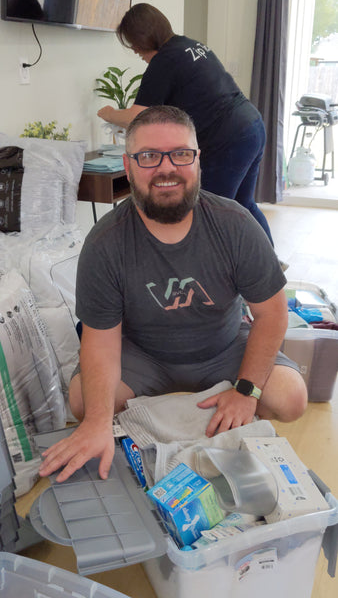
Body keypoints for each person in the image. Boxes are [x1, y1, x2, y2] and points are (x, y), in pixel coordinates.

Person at [39, 105, 307, 483]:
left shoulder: (236, 225)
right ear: (129, 167)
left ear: (198, 162)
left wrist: (246, 390)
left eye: (181, 154)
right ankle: (185, 409)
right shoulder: (104, 244)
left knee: (291, 397)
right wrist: (97, 423)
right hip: (146, 356)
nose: (166, 169)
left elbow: (272, 314)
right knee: (84, 402)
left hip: (223, 348)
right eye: (149, 156)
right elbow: (100, 341)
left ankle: (227, 406)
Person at [97, 3, 274, 245]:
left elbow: (136, 118)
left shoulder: (164, 61)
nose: (137, 52)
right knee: (243, 204)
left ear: (142, 39)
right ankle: (270, 266)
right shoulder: (189, 45)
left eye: (135, 46)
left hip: (229, 138)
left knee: (209, 212)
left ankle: (218, 276)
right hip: (252, 125)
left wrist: (108, 113)